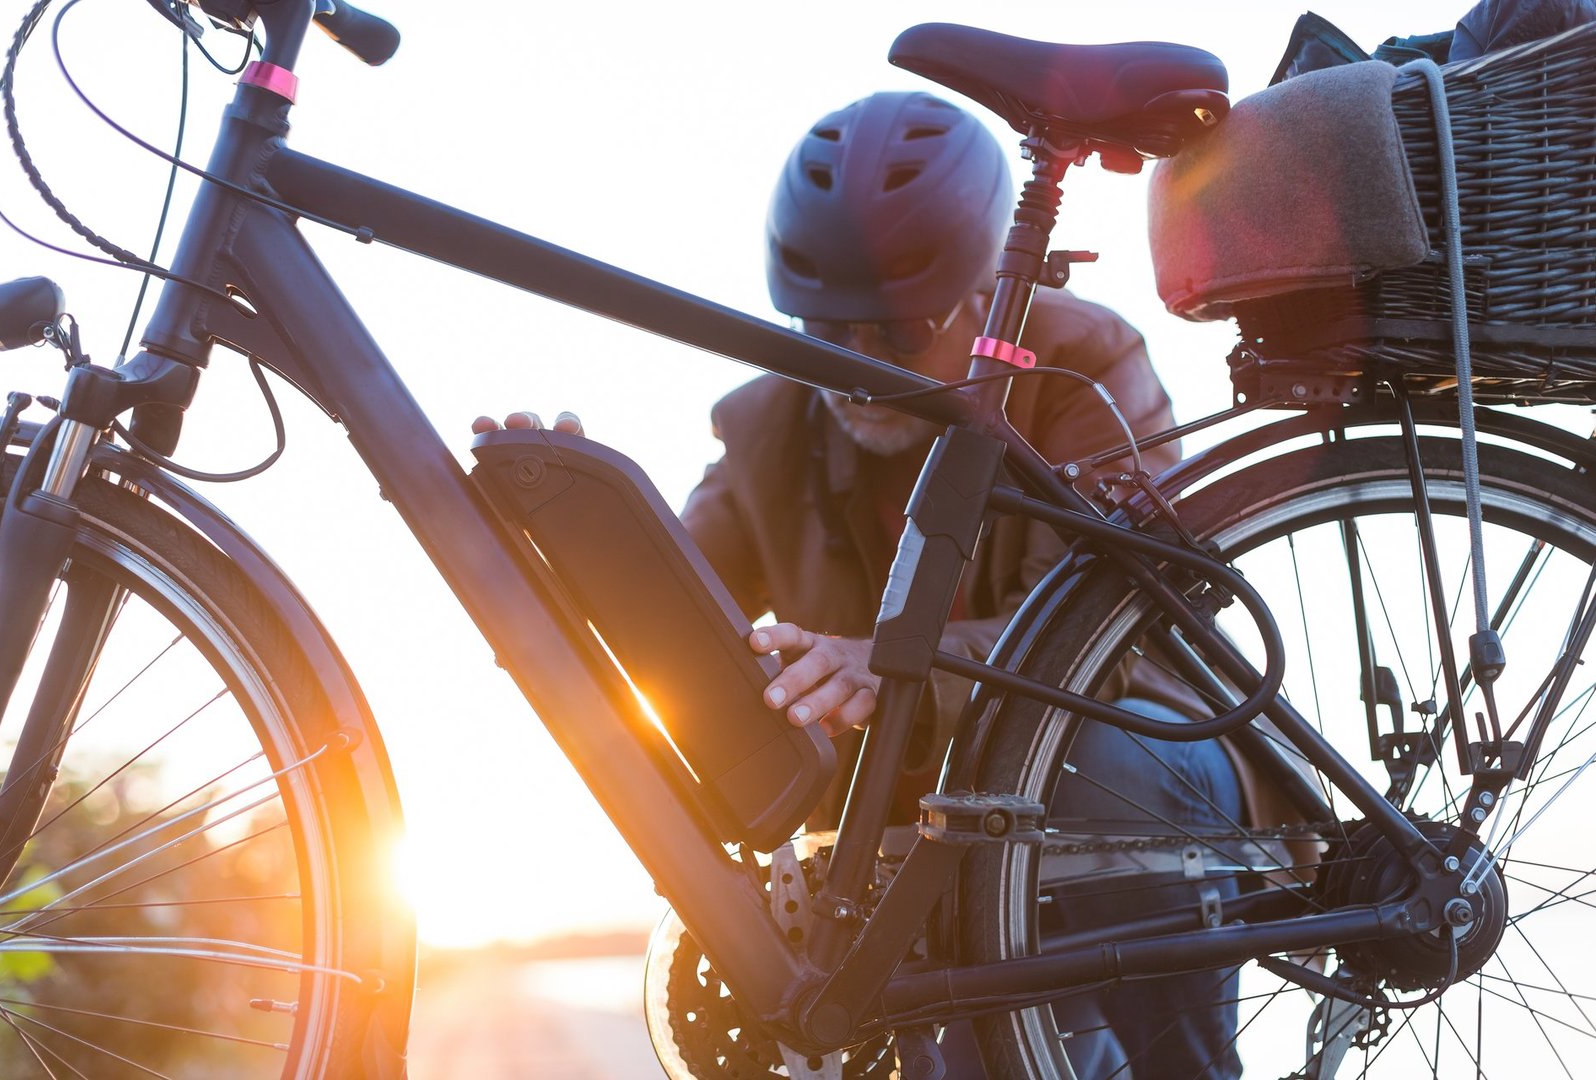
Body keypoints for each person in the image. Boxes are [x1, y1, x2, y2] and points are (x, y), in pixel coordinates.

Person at [477, 91, 1243, 1079]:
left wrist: (893, 670)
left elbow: (1103, 638)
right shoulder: (767, 425)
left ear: (983, 296)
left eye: (898, 333)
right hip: (929, 838)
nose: (855, 369)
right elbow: (669, 606)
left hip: (1124, 769)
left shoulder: (1082, 367)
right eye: (825, 330)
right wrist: (563, 537)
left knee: (1088, 770)